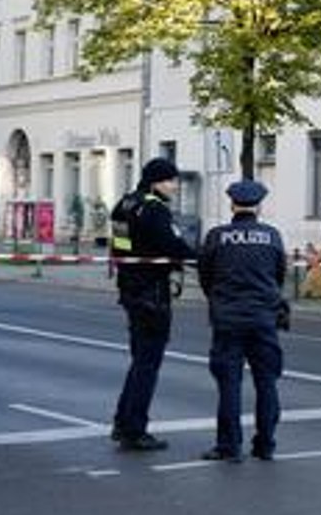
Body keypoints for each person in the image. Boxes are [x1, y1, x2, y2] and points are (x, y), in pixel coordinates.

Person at [110, 157, 197, 452]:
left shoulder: (125, 204)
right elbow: (173, 246)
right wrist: (202, 259)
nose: (175, 186)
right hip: (152, 294)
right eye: (171, 181)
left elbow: (119, 248)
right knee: (148, 364)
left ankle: (123, 423)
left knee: (139, 361)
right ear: (157, 182)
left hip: (130, 289)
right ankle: (135, 429)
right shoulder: (155, 209)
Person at [199, 179, 288, 462]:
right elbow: (279, 276)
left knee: (229, 383)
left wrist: (219, 300)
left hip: (227, 319)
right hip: (264, 318)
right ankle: (265, 445)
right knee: (266, 382)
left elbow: (205, 277)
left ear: (232, 204)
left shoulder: (216, 236)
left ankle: (229, 446)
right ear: (259, 206)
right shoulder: (272, 236)